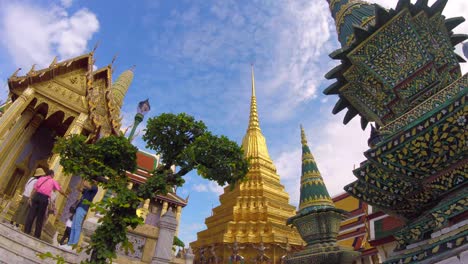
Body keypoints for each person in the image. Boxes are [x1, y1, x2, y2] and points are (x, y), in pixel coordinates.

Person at [24, 170, 67, 238]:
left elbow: (35, 189)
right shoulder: (53, 181)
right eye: (53, 175)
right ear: (52, 175)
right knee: (40, 217)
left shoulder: (41, 178)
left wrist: (30, 197)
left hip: (36, 196)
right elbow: (59, 190)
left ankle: (26, 230)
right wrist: (65, 195)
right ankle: (36, 235)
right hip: (44, 198)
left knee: (31, 214)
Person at [65, 180, 98, 249]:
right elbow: (78, 188)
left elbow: (87, 185)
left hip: (83, 208)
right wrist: (82, 180)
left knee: (77, 226)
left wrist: (86, 181)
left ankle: (74, 244)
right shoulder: (87, 190)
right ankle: (70, 243)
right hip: (79, 207)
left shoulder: (95, 187)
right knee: (73, 225)